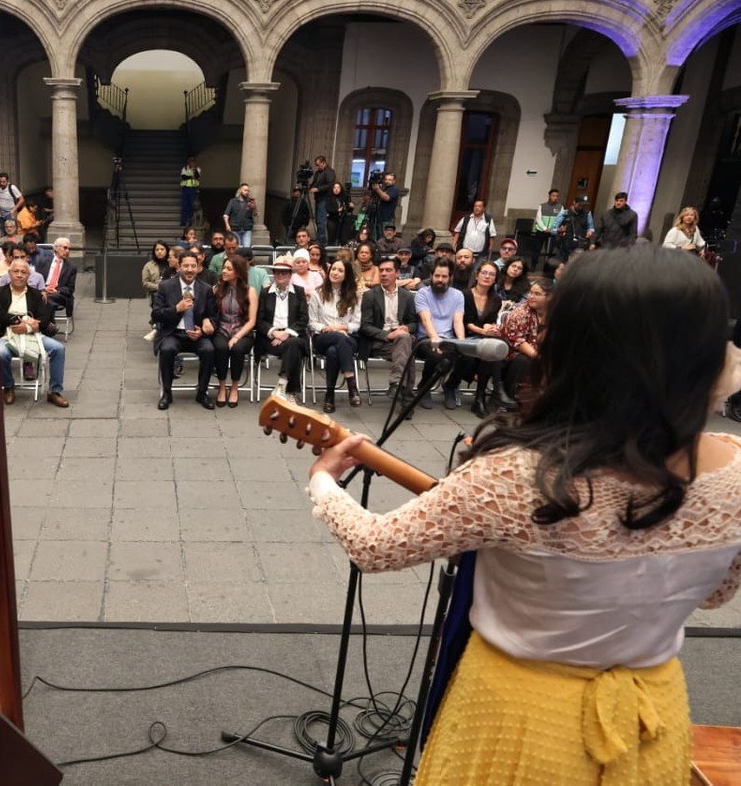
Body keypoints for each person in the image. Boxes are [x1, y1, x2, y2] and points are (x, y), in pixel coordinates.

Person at [307, 245, 741, 784]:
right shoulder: (736, 473)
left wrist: (324, 482)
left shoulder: (514, 474)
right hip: (648, 718)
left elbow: (374, 545)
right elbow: (718, 591)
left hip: (519, 723)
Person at [0, 258, 69, 408]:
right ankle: (8, 387)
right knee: (0, 353)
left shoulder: (36, 294)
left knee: (58, 349)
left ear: (28, 275)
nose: (19, 275)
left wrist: (29, 327)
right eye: (16, 271)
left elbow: (45, 317)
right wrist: (20, 321)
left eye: (23, 272)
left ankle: (55, 391)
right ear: (9, 274)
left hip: (33, 334)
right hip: (8, 334)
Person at [152, 251, 217, 411]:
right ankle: (167, 393)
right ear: (179, 267)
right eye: (186, 266)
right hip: (173, 332)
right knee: (167, 349)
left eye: (193, 266)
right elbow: (155, 314)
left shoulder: (206, 289)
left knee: (209, 350)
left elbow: (214, 316)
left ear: (198, 267)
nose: (189, 270)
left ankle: (202, 392)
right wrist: (176, 309)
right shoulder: (166, 286)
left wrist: (203, 328)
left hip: (196, 334)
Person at [457, 260, 511, 418]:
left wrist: (490, 328)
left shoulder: (496, 299)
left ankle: (480, 398)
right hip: (467, 336)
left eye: (491, 274)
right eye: (484, 273)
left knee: (494, 347)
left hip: (483, 337)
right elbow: (466, 322)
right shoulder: (465, 294)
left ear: (495, 279)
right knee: (491, 348)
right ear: (477, 275)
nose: (487, 277)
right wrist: (483, 330)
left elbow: (491, 321)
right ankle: (495, 390)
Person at [255, 254, 309, 405]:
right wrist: (274, 332)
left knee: (294, 344)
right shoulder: (265, 293)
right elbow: (259, 321)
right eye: (277, 272)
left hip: (292, 335)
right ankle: (290, 392)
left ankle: (282, 383)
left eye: (284, 272)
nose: (280, 275)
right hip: (269, 340)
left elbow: (303, 319)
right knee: (295, 347)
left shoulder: (299, 292)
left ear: (290, 275)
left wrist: (286, 333)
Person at [309, 258, 362, 411]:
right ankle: (351, 384)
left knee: (333, 352)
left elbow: (356, 324)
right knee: (338, 338)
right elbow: (312, 322)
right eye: (333, 269)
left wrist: (342, 327)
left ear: (347, 275)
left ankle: (330, 394)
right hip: (323, 336)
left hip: (348, 338)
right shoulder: (317, 293)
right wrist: (330, 329)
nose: (335, 273)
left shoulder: (354, 296)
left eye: (340, 270)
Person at [414, 258, 465, 410]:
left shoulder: (458, 295)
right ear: (431, 276)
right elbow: (426, 319)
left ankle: (450, 386)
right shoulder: (422, 293)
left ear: (450, 277)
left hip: (448, 338)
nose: (440, 280)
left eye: (444, 277)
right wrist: (435, 340)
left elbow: (457, 322)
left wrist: (462, 343)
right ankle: (425, 385)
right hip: (425, 339)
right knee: (436, 355)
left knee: (467, 356)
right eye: (437, 276)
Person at [211, 254, 257, 409]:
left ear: (238, 272)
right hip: (221, 329)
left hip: (242, 331)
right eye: (224, 268)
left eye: (229, 269)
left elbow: (252, 321)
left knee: (237, 349)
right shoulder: (217, 289)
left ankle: (235, 387)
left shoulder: (250, 291)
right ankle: (222, 386)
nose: (224, 271)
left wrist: (237, 337)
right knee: (221, 348)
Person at [501, 278, 553, 403]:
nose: (531, 296)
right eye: (530, 292)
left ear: (550, 297)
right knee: (524, 360)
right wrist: (538, 356)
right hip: (515, 354)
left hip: (545, 352)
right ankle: (516, 396)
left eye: (537, 294)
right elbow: (518, 341)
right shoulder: (520, 313)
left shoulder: (555, 314)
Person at [37, 237, 76, 317]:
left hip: (59, 294)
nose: (67, 251)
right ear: (56, 248)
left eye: (69, 249)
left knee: (47, 299)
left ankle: (47, 324)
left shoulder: (71, 267)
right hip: (43, 290)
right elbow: (36, 279)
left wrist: (56, 290)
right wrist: (43, 289)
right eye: (65, 248)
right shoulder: (43, 261)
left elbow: (70, 289)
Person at [308, 156, 337, 241]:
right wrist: (310, 186)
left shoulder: (330, 172)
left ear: (324, 163)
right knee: (318, 221)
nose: (317, 167)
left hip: (325, 199)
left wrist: (318, 189)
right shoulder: (317, 173)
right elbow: (314, 183)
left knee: (321, 221)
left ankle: (321, 241)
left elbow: (330, 185)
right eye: (316, 165)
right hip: (318, 199)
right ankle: (319, 239)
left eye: (318, 164)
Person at [222, 183, 256, 248]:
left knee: (246, 248)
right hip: (235, 229)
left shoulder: (251, 202)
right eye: (245, 190)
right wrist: (227, 225)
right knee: (236, 248)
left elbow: (255, 215)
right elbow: (226, 215)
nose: (247, 192)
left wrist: (253, 208)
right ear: (240, 190)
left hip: (247, 229)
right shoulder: (233, 201)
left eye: (248, 191)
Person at [323, 180, 353, 246]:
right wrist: (337, 210)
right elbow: (328, 209)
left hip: (342, 220)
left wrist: (351, 206)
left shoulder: (343, 197)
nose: (336, 189)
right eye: (335, 187)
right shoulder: (329, 197)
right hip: (332, 220)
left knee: (342, 238)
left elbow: (348, 210)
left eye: (338, 187)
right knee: (331, 239)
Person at [179, 156, 201, 227]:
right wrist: (191, 176)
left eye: (193, 161)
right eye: (190, 161)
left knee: (192, 206)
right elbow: (183, 177)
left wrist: (194, 170)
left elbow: (197, 176)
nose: (191, 163)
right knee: (185, 205)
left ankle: (190, 221)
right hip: (185, 189)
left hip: (193, 189)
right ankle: (183, 221)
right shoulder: (184, 169)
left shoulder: (197, 169)